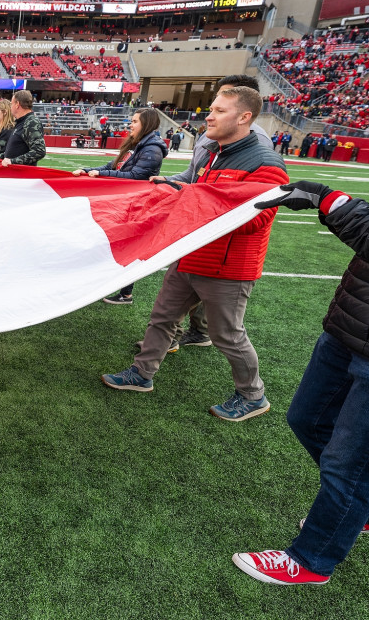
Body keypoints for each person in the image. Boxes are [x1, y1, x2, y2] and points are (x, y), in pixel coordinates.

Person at [101, 86, 288, 421]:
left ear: (244, 117)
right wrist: (181, 193)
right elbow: (199, 193)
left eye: (219, 110)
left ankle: (253, 395)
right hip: (191, 254)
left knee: (227, 335)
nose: (209, 116)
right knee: (162, 317)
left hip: (227, 267)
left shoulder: (265, 162)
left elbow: (258, 218)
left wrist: (199, 205)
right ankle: (142, 374)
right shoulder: (214, 153)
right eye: (211, 109)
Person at [233, 180, 369, 585]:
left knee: (351, 464)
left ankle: (312, 560)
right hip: (352, 324)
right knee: (307, 419)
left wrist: (329, 201)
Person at [155, 74, 274, 350]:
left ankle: (200, 335)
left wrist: (199, 204)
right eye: (214, 104)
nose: (213, 109)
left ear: (244, 110)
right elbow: (194, 174)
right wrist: (171, 183)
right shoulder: (213, 136)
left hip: (220, 240)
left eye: (221, 105)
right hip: (197, 227)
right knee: (171, 302)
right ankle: (166, 344)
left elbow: (247, 207)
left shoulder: (257, 146)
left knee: (225, 326)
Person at [72, 107, 167, 305]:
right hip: (124, 201)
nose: (130, 125)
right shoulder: (137, 144)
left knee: (127, 244)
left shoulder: (152, 149)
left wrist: (103, 175)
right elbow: (112, 166)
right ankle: (118, 289)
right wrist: (88, 170)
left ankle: (126, 294)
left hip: (135, 203)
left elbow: (136, 177)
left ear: (146, 124)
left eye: (135, 121)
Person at [1, 90, 47, 167]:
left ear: (17, 104)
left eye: (11, 104)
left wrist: (13, 161)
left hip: (22, 175)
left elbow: (39, 151)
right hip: (15, 175)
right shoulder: (21, 122)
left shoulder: (31, 122)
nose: (10, 107)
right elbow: (16, 150)